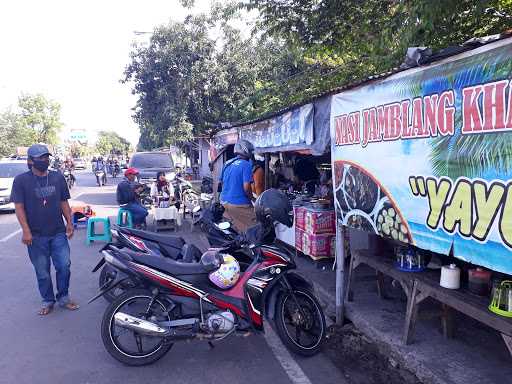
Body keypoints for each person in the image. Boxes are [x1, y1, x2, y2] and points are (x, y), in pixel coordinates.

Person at [10, 144, 79, 316]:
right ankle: (48, 300)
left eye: (46, 157)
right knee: (42, 272)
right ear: (31, 161)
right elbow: (19, 208)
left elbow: (64, 202)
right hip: (35, 236)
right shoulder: (21, 181)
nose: (45, 160)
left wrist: (69, 222)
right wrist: (25, 231)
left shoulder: (57, 177)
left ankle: (63, 297)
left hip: (57, 232)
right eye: (41, 158)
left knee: (64, 266)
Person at [219, 139, 256, 232]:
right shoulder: (246, 165)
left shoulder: (227, 163)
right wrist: (251, 198)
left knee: (237, 226)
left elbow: (222, 183)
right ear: (246, 150)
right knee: (257, 227)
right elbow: (246, 187)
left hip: (224, 201)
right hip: (238, 204)